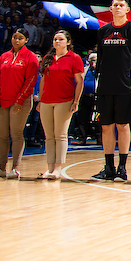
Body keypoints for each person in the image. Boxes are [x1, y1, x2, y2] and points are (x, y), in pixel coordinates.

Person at [91, 0, 131, 182]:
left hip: (125, 86)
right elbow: (99, 60)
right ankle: (108, 167)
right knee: (106, 127)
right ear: (110, 8)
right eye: (115, 5)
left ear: (127, 9)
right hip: (105, 86)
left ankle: (122, 168)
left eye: (121, 5)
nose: (117, 7)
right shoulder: (103, 31)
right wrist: (97, 81)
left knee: (123, 126)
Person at [0, 27, 38, 179]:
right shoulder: (4, 56)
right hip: (3, 100)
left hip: (21, 102)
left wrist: (19, 100)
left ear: (26, 40)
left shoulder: (30, 57)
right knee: (1, 134)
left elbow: (30, 82)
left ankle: (15, 168)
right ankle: (1, 168)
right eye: (15, 37)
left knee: (16, 133)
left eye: (20, 38)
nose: (17, 40)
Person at [36, 30, 84, 180]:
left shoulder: (74, 58)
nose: (57, 42)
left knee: (60, 135)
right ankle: (49, 168)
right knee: (49, 136)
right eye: (55, 39)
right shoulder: (47, 58)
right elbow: (43, 80)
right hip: (46, 101)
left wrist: (76, 101)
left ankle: (58, 168)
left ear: (68, 42)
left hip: (64, 100)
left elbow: (79, 81)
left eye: (61, 39)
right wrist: (40, 99)